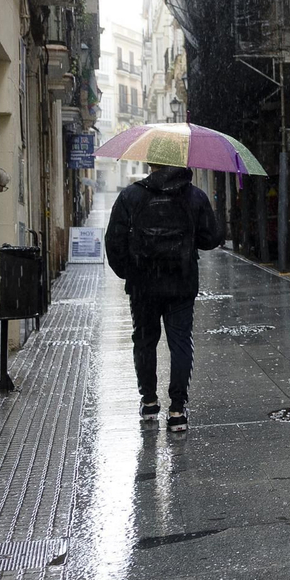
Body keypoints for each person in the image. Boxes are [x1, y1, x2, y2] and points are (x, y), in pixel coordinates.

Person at [105, 164, 224, 432]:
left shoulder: (130, 196)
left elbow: (114, 242)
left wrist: (131, 272)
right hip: (181, 285)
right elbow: (212, 238)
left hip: (143, 287)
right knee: (180, 343)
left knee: (144, 342)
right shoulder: (194, 196)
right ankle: (178, 410)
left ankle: (148, 402)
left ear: (151, 163)